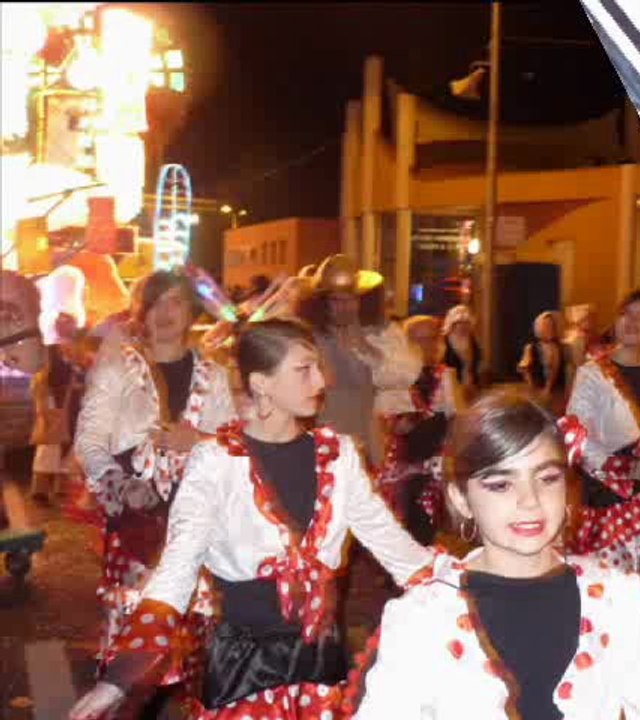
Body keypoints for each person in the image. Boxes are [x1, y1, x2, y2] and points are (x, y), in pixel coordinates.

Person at [69, 319, 433, 720]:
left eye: (318, 367)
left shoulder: (339, 456)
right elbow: (177, 568)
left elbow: (395, 547)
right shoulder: (216, 462)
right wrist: (119, 677)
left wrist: (470, 584)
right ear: (261, 383)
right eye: (303, 369)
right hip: (244, 675)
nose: (321, 380)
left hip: (320, 670)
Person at [348, 392, 640, 720]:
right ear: (462, 498)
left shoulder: (617, 598)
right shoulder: (423, 617)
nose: (530, 501)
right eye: (501, 484)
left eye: (547, 478)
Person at [73, 270, 237, 684]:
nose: (165, 312)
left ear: (191, 312)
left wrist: (198, 439)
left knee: (193, 632)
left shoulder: (215, 376)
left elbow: (236, 446)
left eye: (176, 302)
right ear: (141, 313)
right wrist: (120, 485)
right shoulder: (116, 368)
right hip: (136, 522)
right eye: (156, 302)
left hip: (196, 521)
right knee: (132, 639)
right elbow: (89, 440)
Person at [565, 289, 640, 577]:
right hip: (605, 494)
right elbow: (576, 434)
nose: (632, 322)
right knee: (608, 583)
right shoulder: (592, 374)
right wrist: (623, 466)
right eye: (626, 313)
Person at [377, 315, 460, 544]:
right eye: (418, 339)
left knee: (423, 527)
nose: (426, 345)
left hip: (428, 466)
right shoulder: (390, 376)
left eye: (431, 338)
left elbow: (455, 421)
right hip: (393, 465)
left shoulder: (443, 376)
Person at [299, 254, 383, 465]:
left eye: (351, 299)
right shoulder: (309, 340)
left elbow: (369, 402)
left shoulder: (368, 338)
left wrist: (376, 458)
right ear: (322, 303)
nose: (345, 306)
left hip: (360, 446)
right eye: (336, 300)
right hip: (323, 448)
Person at [29, 313, 87, 504]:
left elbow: (87, 372)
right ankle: (40, 489)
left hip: (75, 403)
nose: (66, 327)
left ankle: (62, 487)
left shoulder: (80, 350)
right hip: (54, 401)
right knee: (49, 445)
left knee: (71, 445)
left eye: (69, 324)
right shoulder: (49, 350)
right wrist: (44, 402)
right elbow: (40, 377)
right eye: (62, 324)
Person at [518, 311, 567, 415]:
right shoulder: (531, 348)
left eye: (550, 325)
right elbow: (524, 368)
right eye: (545, 326)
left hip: (557, 393)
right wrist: (533, 388)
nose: (548, 329)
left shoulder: (560, 347)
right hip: (537, 392)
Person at [442, 304, 482, 403]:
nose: (463, 326)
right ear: (452, 325)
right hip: (449, 389)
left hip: (471, 388)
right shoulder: (443, 342)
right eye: (459, 323)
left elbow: (475, 364)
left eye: (466, 323)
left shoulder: (472, 341)